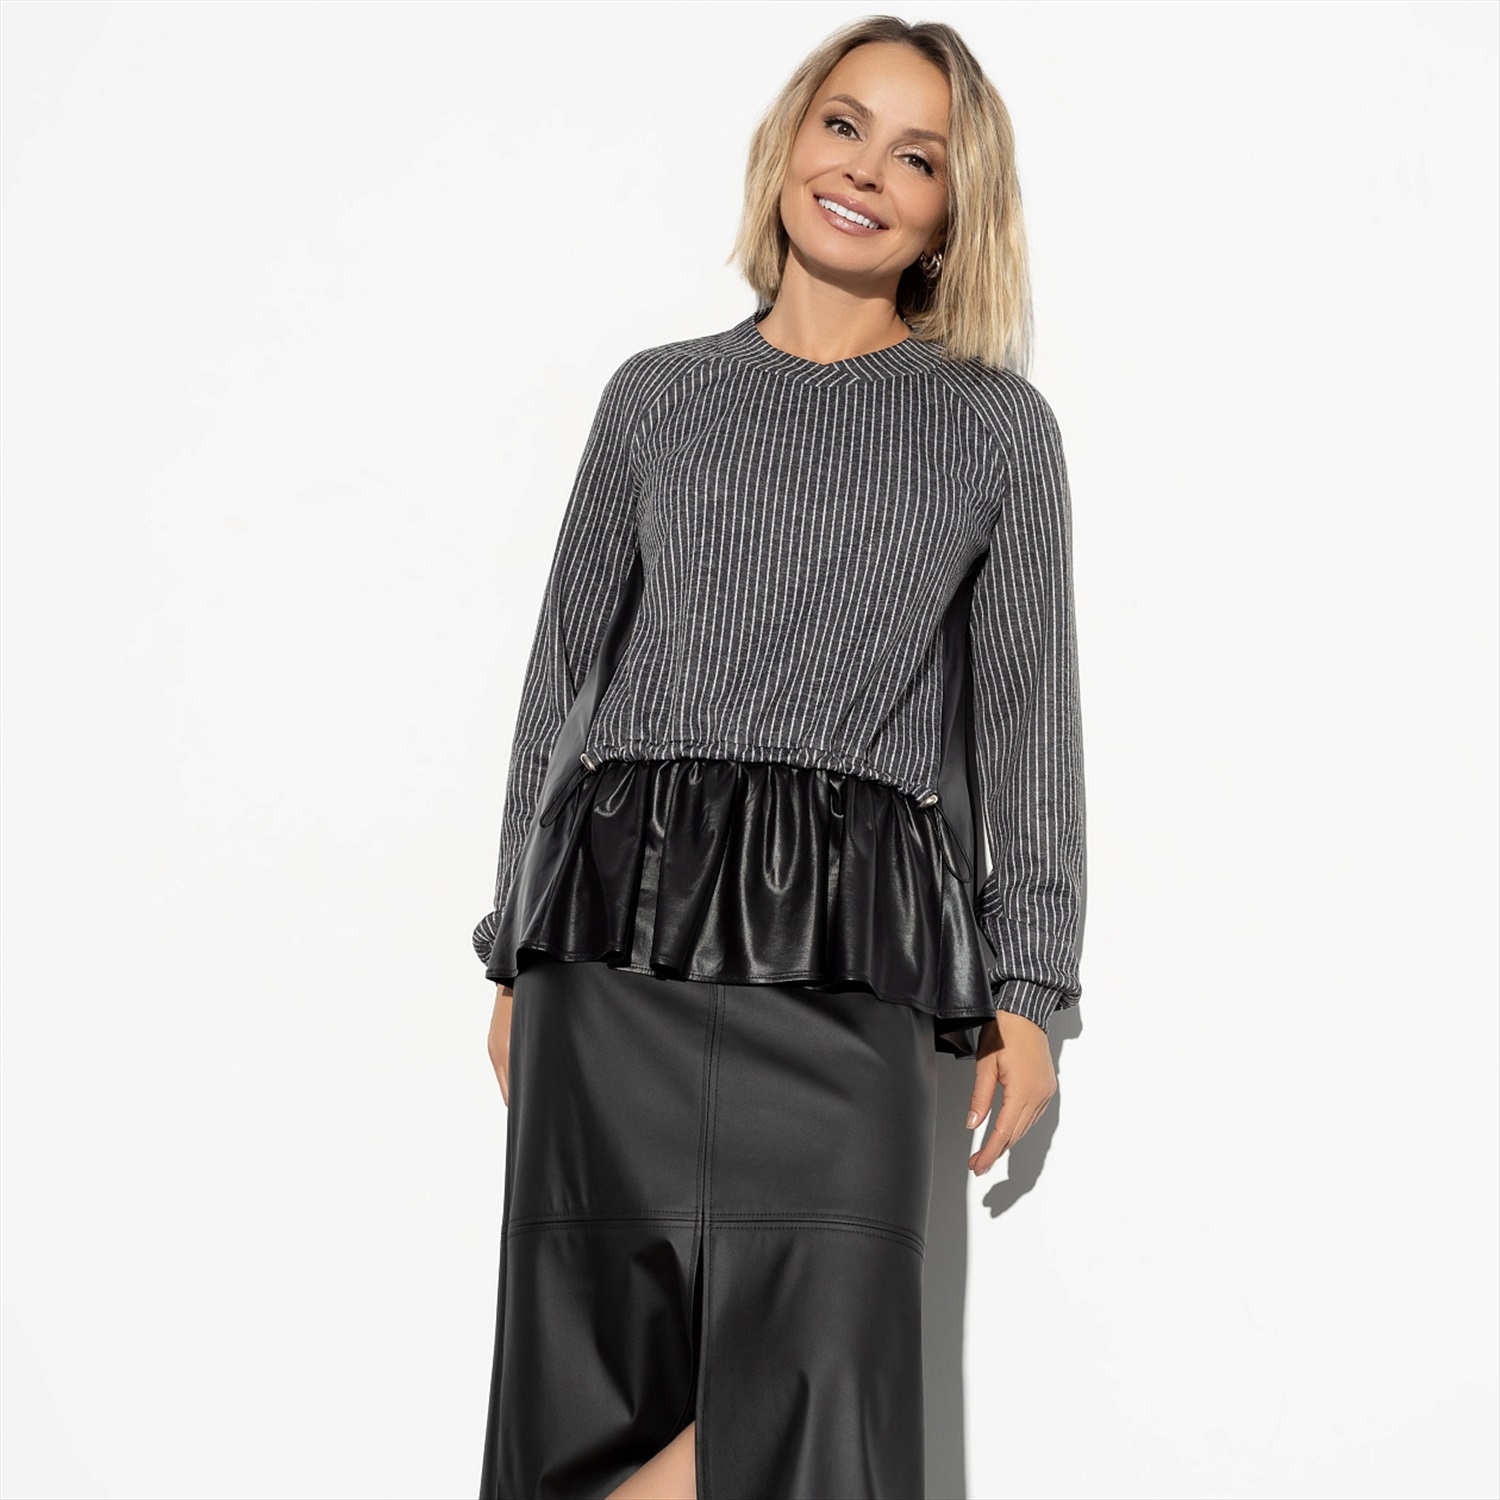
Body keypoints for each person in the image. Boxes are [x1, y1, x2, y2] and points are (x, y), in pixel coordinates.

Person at [471, 15, 1087, 1499]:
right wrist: (508, 949)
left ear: (952, 212)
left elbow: (1026, 716)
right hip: (614, 946)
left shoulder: (997, 428)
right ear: (790, 143)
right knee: (589, 1384)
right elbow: (561, 676)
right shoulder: (657, 394)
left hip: (851, 956)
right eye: (844, 125)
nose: (866, 170)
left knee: (828, 1387)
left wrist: (1031, 988)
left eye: (918, 157)